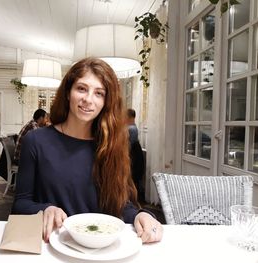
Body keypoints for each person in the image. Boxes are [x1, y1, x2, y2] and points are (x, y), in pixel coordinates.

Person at [12, 57, 163, 244]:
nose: (88, 99)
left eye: (99, 93)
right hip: (52, 244)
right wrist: (45, 209)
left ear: (106, 102)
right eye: (81, 88)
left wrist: (141, 215)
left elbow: (119, 204)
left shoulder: (112, 144)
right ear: (68, 92)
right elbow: (20, 204)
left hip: (98, 247)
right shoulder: (36, 141)